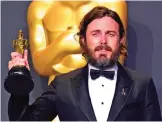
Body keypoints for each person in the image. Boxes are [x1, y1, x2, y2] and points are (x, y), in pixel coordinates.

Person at [7, 6, 161, 121]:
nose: (103, 41)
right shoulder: (62, 84)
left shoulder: (142, 84)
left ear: (121, 40)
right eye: (95, 34)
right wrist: (19, 83)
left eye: (111, 34)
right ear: (83, 40)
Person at [27, 0, 128, 84]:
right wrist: (62, 45)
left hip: (101, 85)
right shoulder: (40, 7)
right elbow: (40, 66)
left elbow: (117, 59)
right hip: (58, 90)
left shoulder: (113, 3)